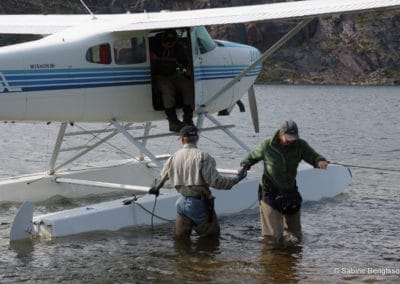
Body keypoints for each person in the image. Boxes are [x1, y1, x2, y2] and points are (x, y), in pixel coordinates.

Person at [149, 125, 247, 240]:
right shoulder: (203, 156)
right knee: (211, 239)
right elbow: (216, 182)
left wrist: (154, 188)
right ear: (197, 138)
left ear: (181, 139)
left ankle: (182, 257)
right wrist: (238, 178)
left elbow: (160, 179)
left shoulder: (173, 158)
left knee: (181, 242)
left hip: (181, 204)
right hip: (199, 204)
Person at [239, 120, 328, 245]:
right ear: (280, 134)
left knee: (295, 236)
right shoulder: (267, 145)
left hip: (290, 191)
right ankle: (272, 260)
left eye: (293, 138)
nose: (291, 141)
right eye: (288, 138)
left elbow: (313, 155)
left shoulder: (300, 145)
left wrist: (319, 161)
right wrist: (244, 165)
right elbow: (252, 157)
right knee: (273, 238)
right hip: (270, 192)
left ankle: (290, 260)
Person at [150, 29, 194, 132]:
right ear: (162, 39)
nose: (167, 44)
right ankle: (173, 120)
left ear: (175, 42)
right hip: (157, 75)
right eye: (165, 42)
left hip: (173, 73)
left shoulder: (178, 47)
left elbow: (184, 63)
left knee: (188, 86)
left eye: (170, 43)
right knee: (167, 88)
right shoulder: (152, 43)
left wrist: (187, 69)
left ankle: (188, 118)